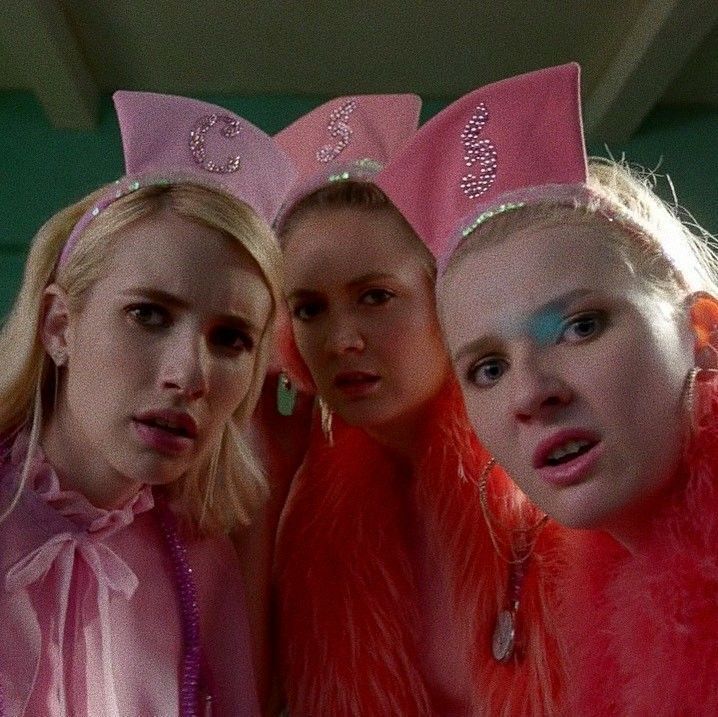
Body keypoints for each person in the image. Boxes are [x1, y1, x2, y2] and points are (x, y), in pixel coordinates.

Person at [377, 62, 718, 714]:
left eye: (579, 326)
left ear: (704, 329)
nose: (530, 393)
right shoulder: (606, 602)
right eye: (488, 367)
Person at [0, 90, 295, 716]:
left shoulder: (201, 558)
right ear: (58, 326)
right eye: (148, 314)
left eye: (231, 339)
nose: (189, 375)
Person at [272, 94, 564, 716]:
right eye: (309, 309)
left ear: (444, 295)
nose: (342, 339)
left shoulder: (549, 461)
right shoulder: (307, 507)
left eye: (375, 296)